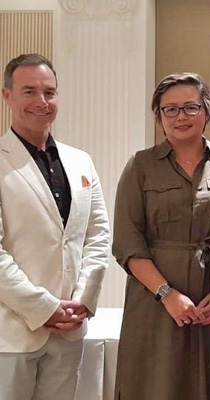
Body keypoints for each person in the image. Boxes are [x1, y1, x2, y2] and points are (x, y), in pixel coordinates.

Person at [112, 72, 210, 400]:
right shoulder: (140, 166)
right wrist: (167, 294)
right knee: (153, 387)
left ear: (206, 111)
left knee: (209, 387)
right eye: (170, 109)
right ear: (158, 116)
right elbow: (127, 243)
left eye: (190, 107)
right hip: (153, 303)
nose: (181, 116)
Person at [0, 53, 110, 400]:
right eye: (29, 91)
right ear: (7, 95)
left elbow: (97, 235)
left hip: (69, 328)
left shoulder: (81, 161)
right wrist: (43, 307)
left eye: (49, 92)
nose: (42, 101)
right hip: (11, 332)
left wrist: (82, 301)